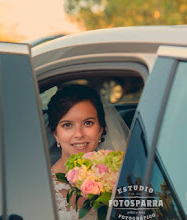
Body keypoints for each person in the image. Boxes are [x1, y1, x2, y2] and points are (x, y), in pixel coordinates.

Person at [47, 84, 129, 220]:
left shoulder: (118, 175)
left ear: (100, 129)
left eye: (88, 123)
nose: (79, 134)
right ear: (56, 134)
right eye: (67, 125)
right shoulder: (45, 188)